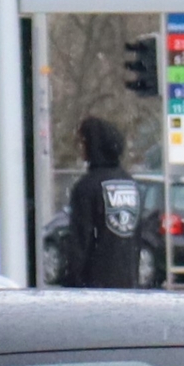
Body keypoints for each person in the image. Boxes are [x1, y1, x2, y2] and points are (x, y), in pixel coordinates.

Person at [58, 117, 144, 288]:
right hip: (127, 282)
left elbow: (80, 241)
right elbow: (136, 237)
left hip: (94, 286)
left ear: (93, 145)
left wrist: (71, 280)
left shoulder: (87, 188)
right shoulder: (131, 184)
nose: (80, 148)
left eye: (83, 142)